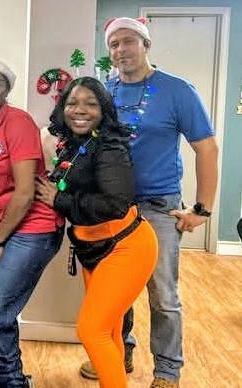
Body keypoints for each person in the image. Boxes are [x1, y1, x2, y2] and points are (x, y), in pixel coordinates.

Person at [78, 17, 219, 388]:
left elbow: (206, 147)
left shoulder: (177, 90)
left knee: (163, 293)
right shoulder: (104, 92)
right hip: (112, 208)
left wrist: (201, 209)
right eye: (114, 45)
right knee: (113, 289)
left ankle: (167, 370)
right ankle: (118, 351)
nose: (121, 50)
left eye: (128, 42)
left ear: (146, 45)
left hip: (158, 206)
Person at [37, 76, 158, 388]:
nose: (81, 110)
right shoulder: (73, 143)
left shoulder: (109, 146)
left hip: (126, 246)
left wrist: (59, 199)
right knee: (110, 330)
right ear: (63, 106)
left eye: (91, 104)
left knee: (91, 330)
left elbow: (115, 204)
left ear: (104, 110)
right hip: (93, 249)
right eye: (73, 102)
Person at [0, 59, 62, 387]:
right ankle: (0, 377)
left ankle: (10, 381)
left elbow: (24, 192)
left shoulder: (18, 123)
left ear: (7, 90)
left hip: (33, 228)